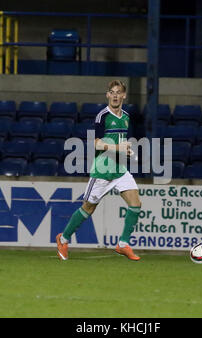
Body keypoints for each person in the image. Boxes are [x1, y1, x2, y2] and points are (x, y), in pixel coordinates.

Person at [56, 79, 142, 261]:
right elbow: (96, 143)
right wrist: (118, 148)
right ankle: (63, 239)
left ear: (124, 95)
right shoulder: (102, 116)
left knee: (135, 204)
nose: (115, 95)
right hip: (102, 172)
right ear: (107, 95)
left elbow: (121, 141)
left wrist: (126, 150)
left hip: (120, 170)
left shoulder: (126, 117)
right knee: (87, 209)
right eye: (112, 92)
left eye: (119, 92)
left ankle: (123, 244)